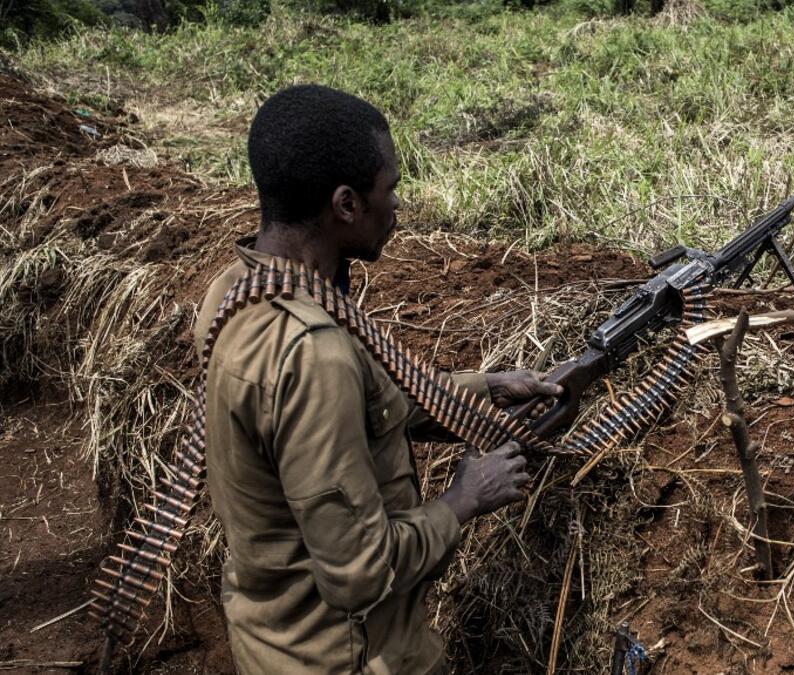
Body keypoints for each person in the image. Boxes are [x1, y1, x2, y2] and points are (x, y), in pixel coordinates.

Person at [193, 84, 561, 674]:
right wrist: (465, 499)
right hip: (346, 656)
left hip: (273, 642)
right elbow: (360, 574)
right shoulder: (315, 356)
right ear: (345, 205)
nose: (398, 205)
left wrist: (487, 388)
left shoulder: (238, 292)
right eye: (389, 188)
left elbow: (371, 402)